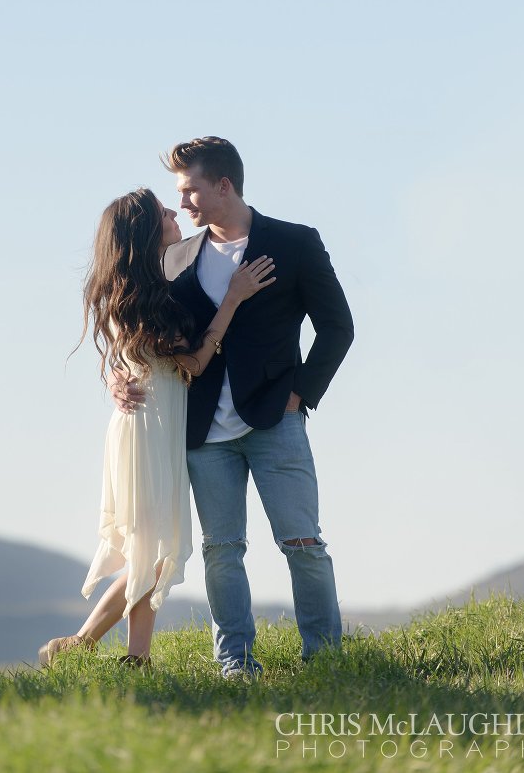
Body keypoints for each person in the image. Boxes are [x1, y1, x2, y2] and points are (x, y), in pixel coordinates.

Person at [111, 138, 354, 677]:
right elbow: (144, 329)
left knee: (303, 542)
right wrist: (120, 374)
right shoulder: (175, 258)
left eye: (190, 189)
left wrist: (301, 393)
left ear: (223, 184)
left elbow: (338, 328)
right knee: (222, 553)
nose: (183, 204)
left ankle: (325, 658)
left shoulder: (295, 243)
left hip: (276, 420)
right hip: (202, 432)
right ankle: (235, 664)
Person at [38, 187, 275, 669]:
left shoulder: (148, 290)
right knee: (155, 547)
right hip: (148, 428)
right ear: (147, 233)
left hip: (154, 425)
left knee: (155, 548)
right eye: (164, 213)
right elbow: (194, 362)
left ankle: (79, 646)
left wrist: (118, 374)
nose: (174, 213)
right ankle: (134, 659)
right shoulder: (148, 298)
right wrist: (232, 300)